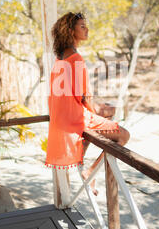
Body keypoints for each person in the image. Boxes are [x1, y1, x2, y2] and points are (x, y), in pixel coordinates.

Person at [45, 12, 130, 195]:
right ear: (70, 31)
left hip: (61, 116)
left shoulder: (60, 57)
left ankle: (80, 151)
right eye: (82, 26)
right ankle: (90, 170)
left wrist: (96, 111)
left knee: (109, 111)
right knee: (124, 136)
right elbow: (86, 97)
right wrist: (94, 113)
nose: (87, 29)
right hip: (74, 118)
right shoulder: (76, 58)